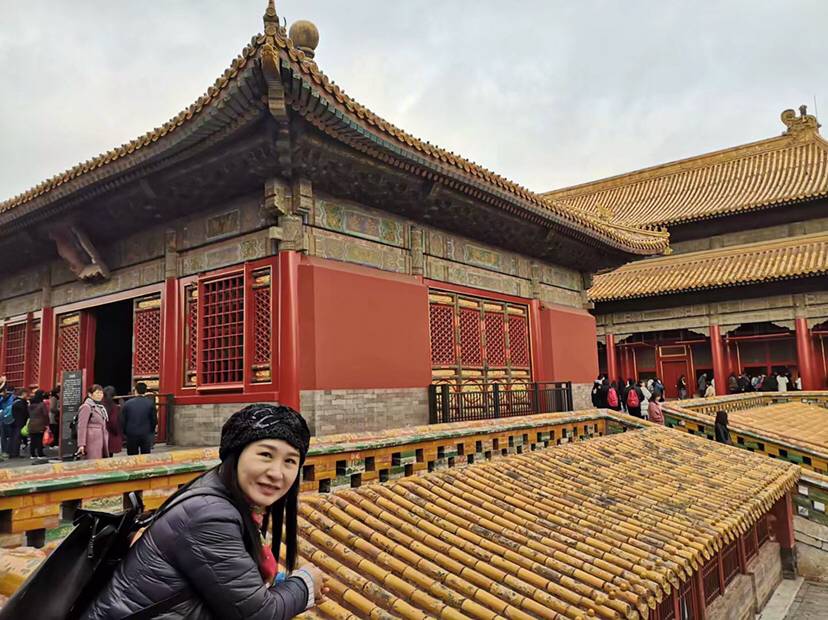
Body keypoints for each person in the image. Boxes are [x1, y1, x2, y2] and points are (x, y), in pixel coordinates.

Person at [82, 404, 326, 619]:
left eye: (290, 461)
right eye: (265, 455)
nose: (276, 473)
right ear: (236, 454)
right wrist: (305, 584)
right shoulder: (209, 516)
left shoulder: (221, 495)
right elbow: (258, 614)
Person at [121, 382, 157, 455]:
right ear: (145, 391)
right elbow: (154, 420)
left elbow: (123, 420)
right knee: (145, 455)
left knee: (132, 455)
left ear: (136, 391)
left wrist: (125, 432)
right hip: (146, 433)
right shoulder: (150, 403)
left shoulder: (127, 404)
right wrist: (151, 431)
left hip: (131, 433)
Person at [76, 385, 109, 460]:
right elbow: (81, 426)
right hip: (91, 440)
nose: (100, 395)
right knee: (92, 461)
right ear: (90, 394)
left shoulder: (100, 407)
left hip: (100, 439)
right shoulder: (86, 407)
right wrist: (81, 444)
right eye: (97, 393)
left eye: (101, 393)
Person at [27, 390, 50, 460]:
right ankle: (40, 454)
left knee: (33, 440)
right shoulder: (42, 404)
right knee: (39, 439)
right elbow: (45, 414)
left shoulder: (31, 405)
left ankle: (32, 454)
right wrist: (47, 423)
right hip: (40, 424)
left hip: (31, 424)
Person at [102, 386, 123, 457]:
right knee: (109, 456)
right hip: (110, 435)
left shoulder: (100, 405)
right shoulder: (114, 407)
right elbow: (113, 422)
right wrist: (117, 432)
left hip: (100, 434)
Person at [9, 388, 30, 458]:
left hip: (13, 421)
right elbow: (25, 412)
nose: (27, 395)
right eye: (26, 394)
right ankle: (15, 453)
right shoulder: (21, 402)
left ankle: (12, 452)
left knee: (13, 437)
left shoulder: (15, 401)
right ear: (23, 393)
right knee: (17, 438)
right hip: (19, 422)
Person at [0, 381, 15, 457]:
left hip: (7, 418)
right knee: (5, 436)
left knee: (8, 436)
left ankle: (7, 451)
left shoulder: (10, 398)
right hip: (6, 418)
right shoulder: (6, 398)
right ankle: (6, 451)